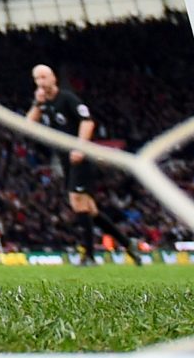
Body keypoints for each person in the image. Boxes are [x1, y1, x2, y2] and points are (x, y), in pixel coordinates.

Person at [30, 64, 134, 262]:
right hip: (65, 159)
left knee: (77, 202)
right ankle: (127, 244)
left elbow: (87, 121)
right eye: (37, 79)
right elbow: (28, 126)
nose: (41, 82)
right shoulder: (42, 103)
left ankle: (89, 255)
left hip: (80, 157)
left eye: (44, 77)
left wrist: (80, 147)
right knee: (90, 210)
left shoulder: (67, 98)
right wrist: (36, 103)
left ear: (54, 78)